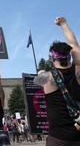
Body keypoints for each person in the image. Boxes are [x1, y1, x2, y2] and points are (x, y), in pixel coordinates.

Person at [34, 16, 80, 145]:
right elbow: (74, 44)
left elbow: (36, 81)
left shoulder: (47, 77)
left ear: (52, 58)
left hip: (59, 138)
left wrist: (41, 73)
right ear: (69, 56)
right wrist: (64, 24)